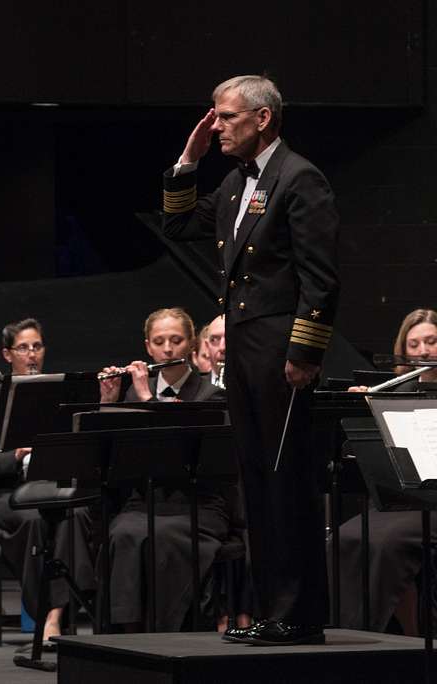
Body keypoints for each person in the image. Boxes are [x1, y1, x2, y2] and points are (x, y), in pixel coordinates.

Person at [162, 74, 340, 645]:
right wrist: (187, 161)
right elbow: (180, 224)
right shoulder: (240, 185)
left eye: (226, 117)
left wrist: (304, 353)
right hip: (243, 348)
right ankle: (272, 610)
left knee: (287, 479)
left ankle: (299, 613)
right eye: (213, 117)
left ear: (262, 119)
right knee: (257, 481)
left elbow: (320, 278)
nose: (216, 127)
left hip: (281, 352)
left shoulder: (299, 177)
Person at [97, 307, 233, 632]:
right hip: (145, 501)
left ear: (190, 345)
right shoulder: (130, 394)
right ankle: (127, 633)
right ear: (148, 347)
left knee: (162, 537)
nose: (168, 349)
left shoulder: (211, 396)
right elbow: (110, 457)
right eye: (159, 342)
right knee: (121, 532)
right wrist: (110, 402)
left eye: (176, 340)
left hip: (198, 504)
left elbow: (184, 453)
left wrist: (147, 398)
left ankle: (167, 633)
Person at [0, 318, 96, 644]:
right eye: (23, 347)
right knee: (35, 521)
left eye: (37, 346)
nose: (32, 354)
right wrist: (16, 456)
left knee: (76, 515)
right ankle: (44, 615)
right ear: (8, 355)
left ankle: (56, 616)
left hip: (53, 487)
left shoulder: (61, 395)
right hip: (4, 495)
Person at [337, 309, 437, 634]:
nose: (423, 351)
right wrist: (362, 412)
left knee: (387, 544)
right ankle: (361, 635)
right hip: (396, 503)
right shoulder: (393, 396)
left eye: (431, 341)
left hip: (432, 504)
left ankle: (405, 636)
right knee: (346, 536)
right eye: (414, 344)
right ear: (403, 352)